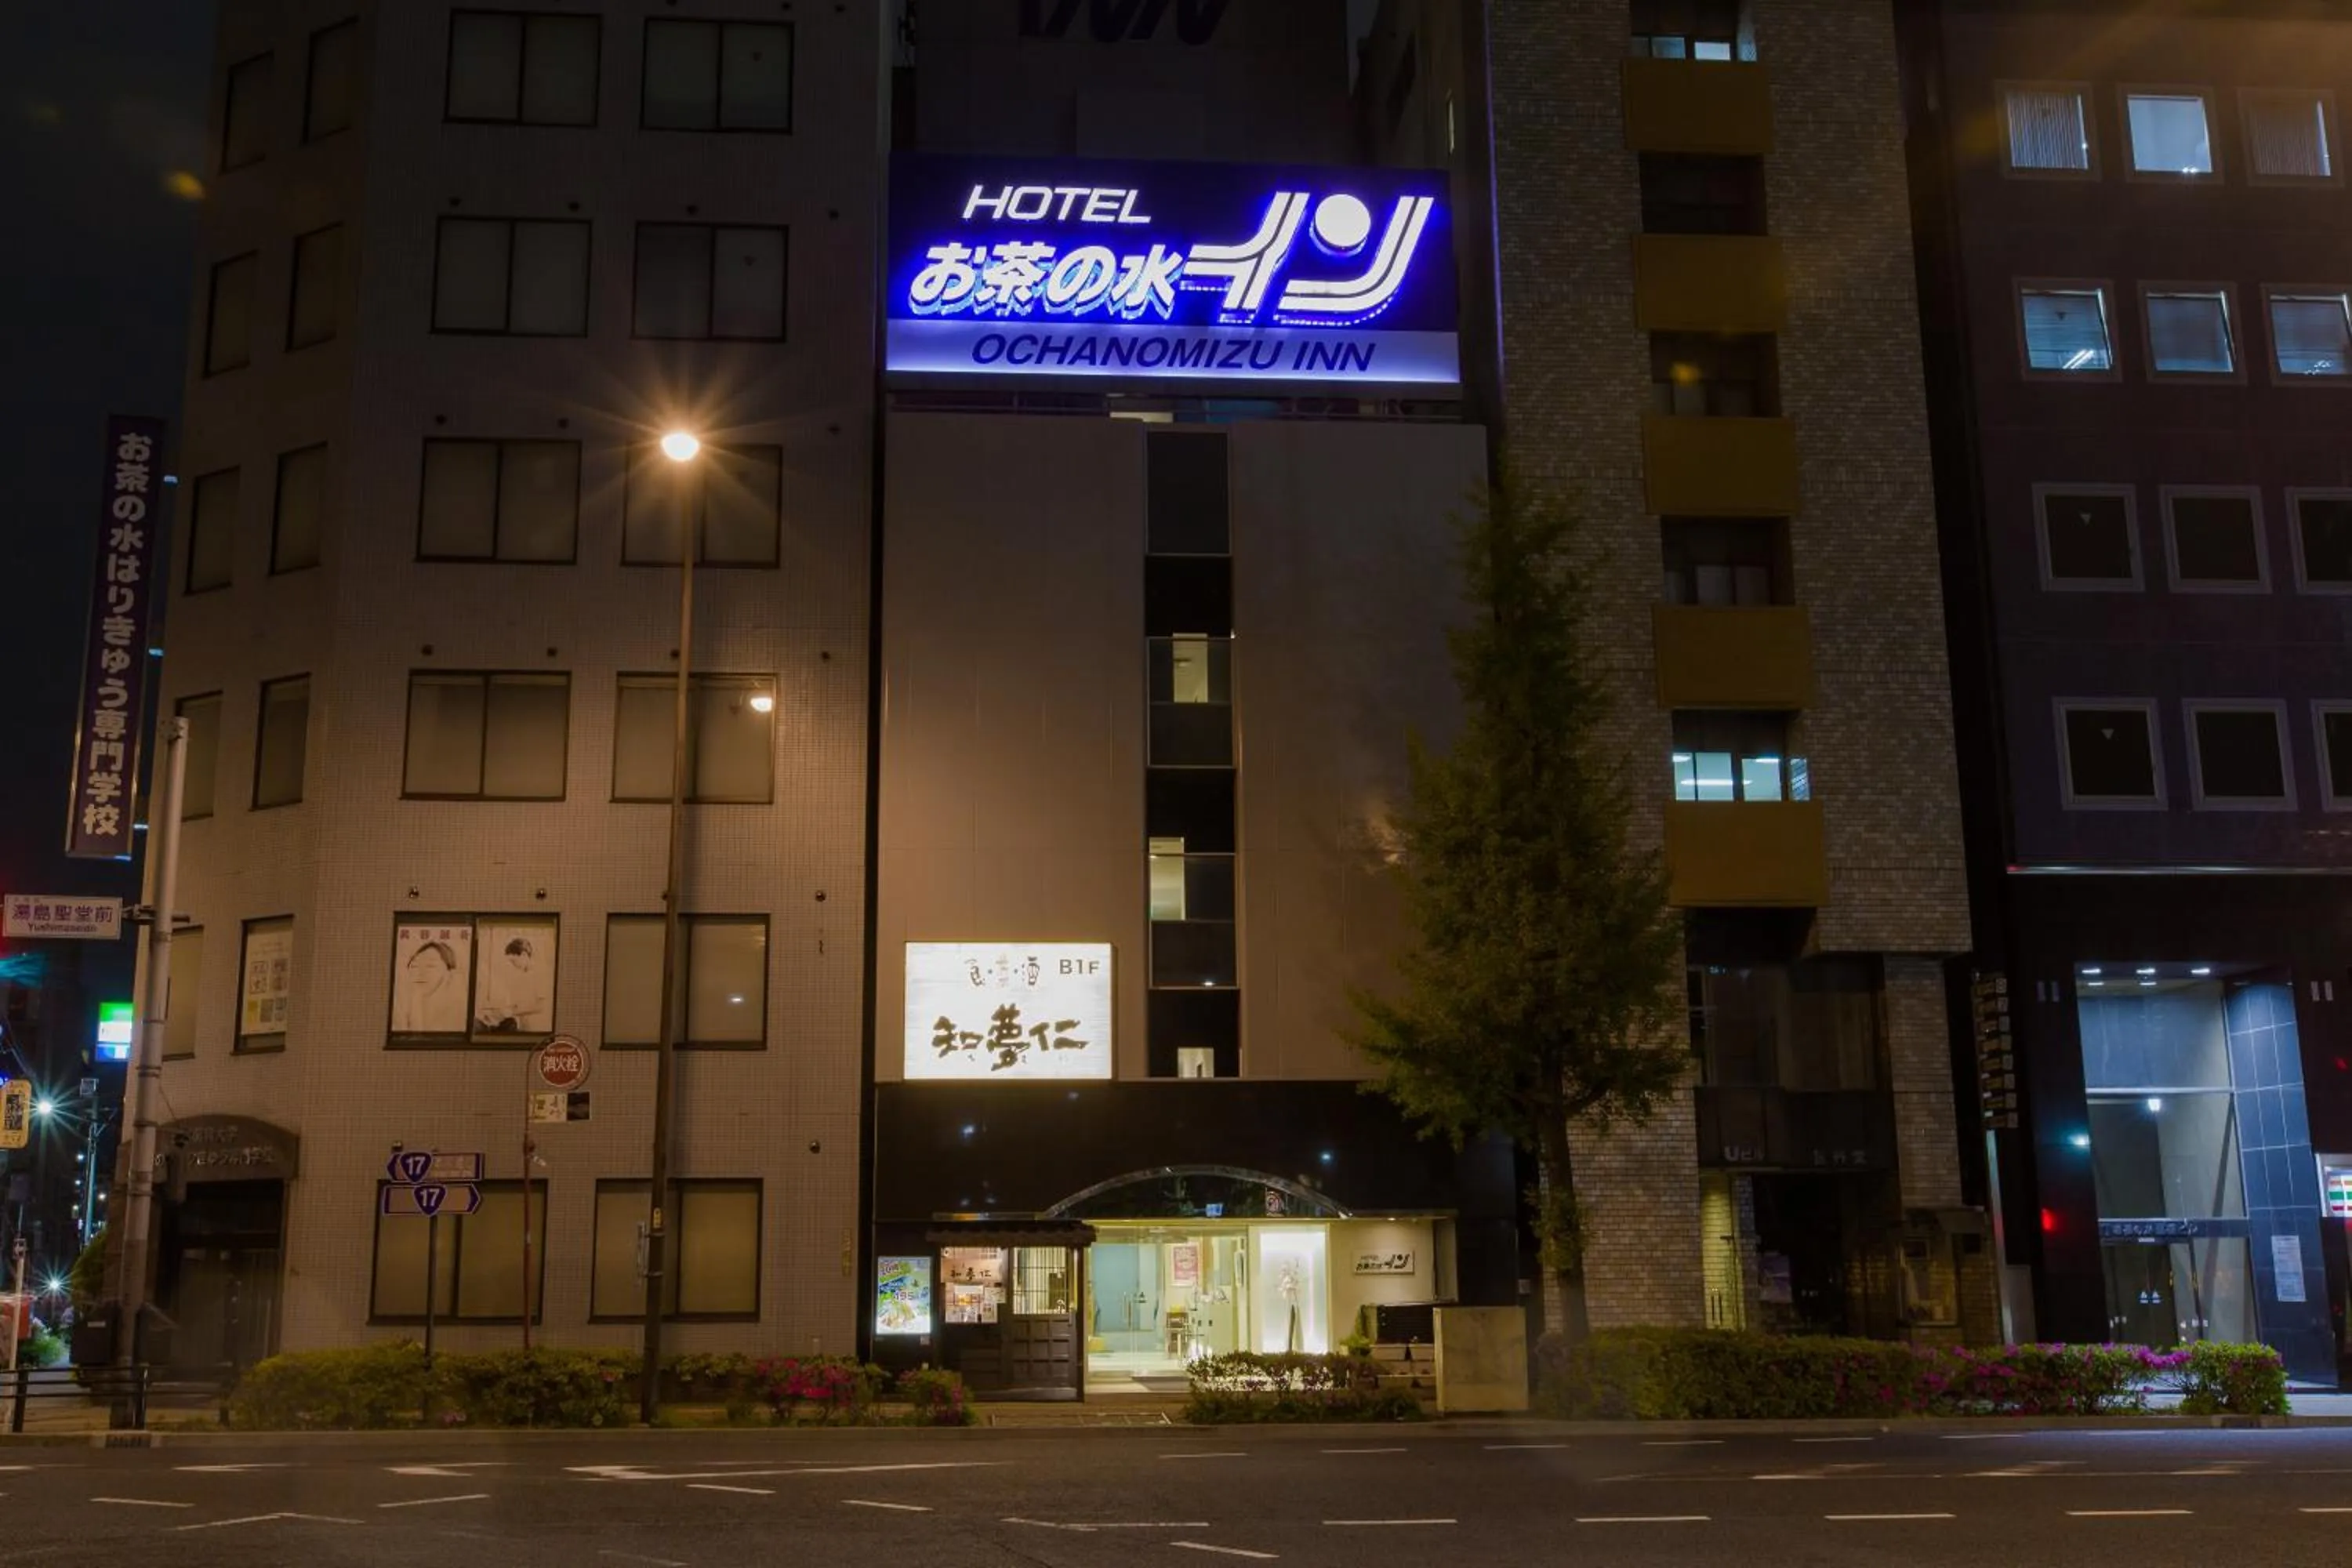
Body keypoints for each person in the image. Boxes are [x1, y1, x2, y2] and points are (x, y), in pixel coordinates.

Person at [475, 934, 552, 1033]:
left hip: (538, 1027)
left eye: (514, 961)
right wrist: (500, 1011)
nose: (513, 965)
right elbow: (521, 1005)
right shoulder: (524, 976)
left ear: (524, 955)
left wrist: (511, 1011)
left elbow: (541, 1006)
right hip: (525, 1027)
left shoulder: (541, 973)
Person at [392, 939, 463, 1033]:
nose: (420, 973)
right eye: (415, 966)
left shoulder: (460, 1017)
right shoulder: (401, 1013)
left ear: (450, 973)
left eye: (430, 966)